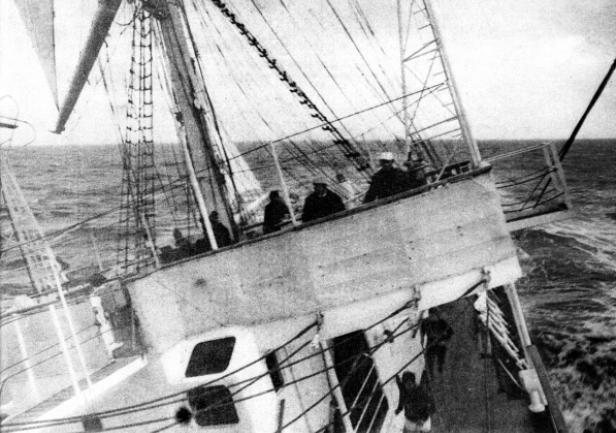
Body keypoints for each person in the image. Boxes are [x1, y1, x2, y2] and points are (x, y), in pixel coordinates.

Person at [420, 309, 454, 376]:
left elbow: (450, 333)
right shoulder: (425, 323)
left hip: (440, 344)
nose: (432, 317)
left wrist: (444, 341)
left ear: (437, 315)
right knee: (429, 361)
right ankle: (431, 375)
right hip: (430, 344)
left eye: (433, 315)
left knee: (441, 361)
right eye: (430, 315)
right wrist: (422, 344)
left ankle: (441, 372)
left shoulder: (442, 322)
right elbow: (422, 334)